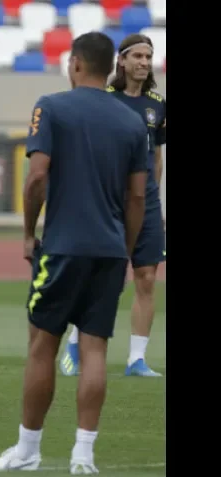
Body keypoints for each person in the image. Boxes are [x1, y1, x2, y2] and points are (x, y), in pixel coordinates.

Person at [0, 32, 147, 475]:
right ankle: (83, 455)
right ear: (112, 66)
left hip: (63, 247)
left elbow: (37, 178)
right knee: (95, 349)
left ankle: (28, 451)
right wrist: (126, 251)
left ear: (75, 63)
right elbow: (138, 199)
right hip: (110, 251)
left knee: (42, 345)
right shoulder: (132, 122)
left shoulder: (51, 107)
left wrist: (28, 231)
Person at [60, 33, 167, 378]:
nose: (144, 63)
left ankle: (137, 358)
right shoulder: (103, 98)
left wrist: (154, 198)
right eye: (137, 56)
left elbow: (157, 157)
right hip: (108, 197)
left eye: (148, 57)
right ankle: (75, 341)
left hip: (145, 200)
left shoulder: (156, 104)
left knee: (147, 276)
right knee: (104, 275)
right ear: (120, 61)